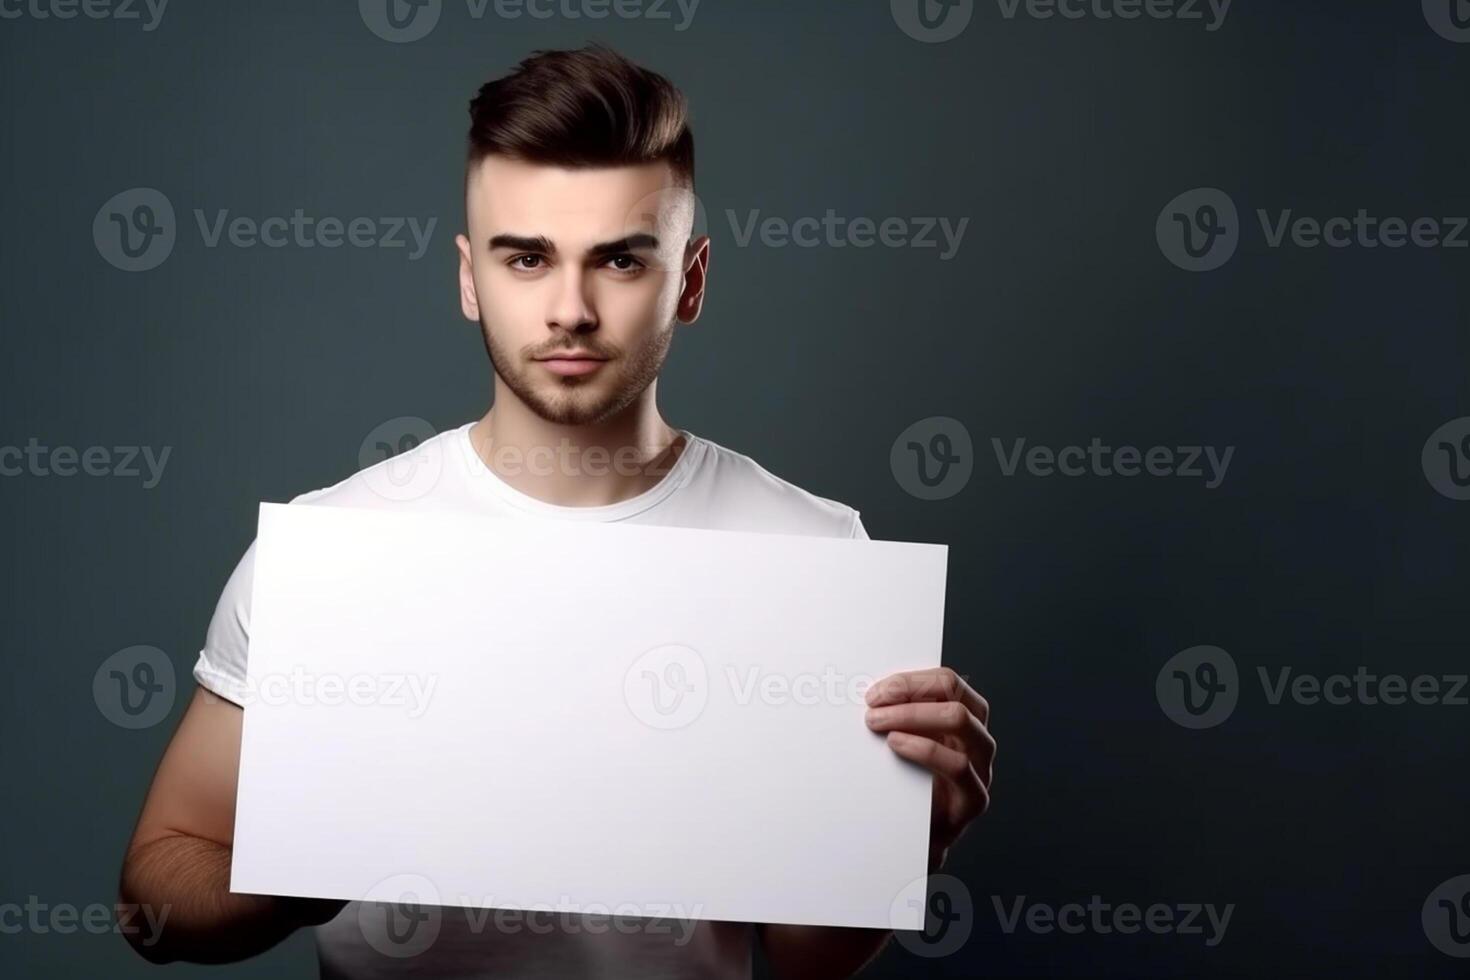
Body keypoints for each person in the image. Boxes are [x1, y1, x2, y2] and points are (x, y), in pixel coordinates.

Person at [117, 43, 996, 979]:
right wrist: (297, 872)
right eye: (526, 257)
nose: (569, 309)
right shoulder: (332, 554)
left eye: (619, 259)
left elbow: (800, 963)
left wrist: (908, 839)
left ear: (689, 280)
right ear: (469, 279)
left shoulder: (816, 557)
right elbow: (151, 897)